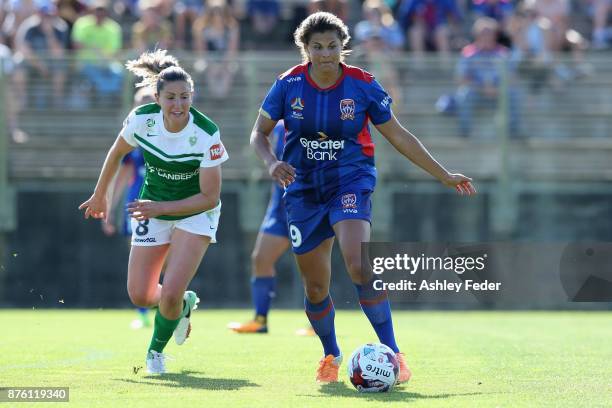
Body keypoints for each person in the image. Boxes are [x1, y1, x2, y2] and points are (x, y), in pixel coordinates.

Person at [250, 12, 476, 383]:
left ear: (344, 47)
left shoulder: (363, 85)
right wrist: (272, 162)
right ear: (305, 49)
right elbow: (258, 134)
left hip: (350, 183)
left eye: (332, 46)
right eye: (317, 47)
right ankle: (330, 355)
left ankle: (395, 354)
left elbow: (399, 136)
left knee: (359, 263)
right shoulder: (287, 84)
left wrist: (443, 174)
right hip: (303, 190)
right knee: (316, 285)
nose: (325, 54)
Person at [78, 49, 229, 374]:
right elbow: (117, 151)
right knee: (141, 295)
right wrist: (100, 194)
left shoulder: (206, 133)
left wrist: (160, 207)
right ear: (157, 98)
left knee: (170, 292)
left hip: (195, 213)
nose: (178, 105)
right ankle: (183, 305)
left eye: (184, 97)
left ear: (193, 96)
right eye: (171, 98)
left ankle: (155, 354)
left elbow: (210, 197)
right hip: (153, 208)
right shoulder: (141, 120)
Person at [228, 121, 314, 336]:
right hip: (280, 207)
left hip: (307, 206)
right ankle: (260, 320)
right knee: (261, 259)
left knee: (311, 267)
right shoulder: (276, 127)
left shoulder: (313, 122)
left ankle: (317, 323)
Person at [101, 87, 156, 330]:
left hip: (163, 201)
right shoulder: (131, 140)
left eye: (148, 100)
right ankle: (143, 312)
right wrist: (109, 209)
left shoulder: (168, 132)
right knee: (139, 257)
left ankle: (167, 302)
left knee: (163, 259)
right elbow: (122, 176)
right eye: (140, 102)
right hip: (136, 204)